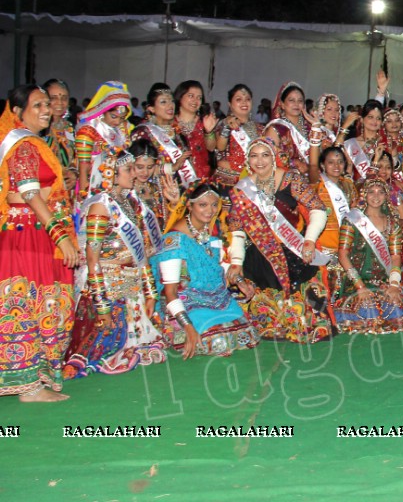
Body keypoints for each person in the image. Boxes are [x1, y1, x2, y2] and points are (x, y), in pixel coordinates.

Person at [0, 85, 81, 402]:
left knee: (44, 304)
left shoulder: (37, 144)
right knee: (27, 305)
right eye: (38, 105)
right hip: (29, 235)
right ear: (18, 112)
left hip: (38, 232)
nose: (47, 109)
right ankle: (29, 387)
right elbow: (31, 194)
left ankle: (35, 380)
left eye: (48, 104)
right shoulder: (22, 146)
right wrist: (60, 234)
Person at [63, 148, 166, 378]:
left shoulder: (131, 202)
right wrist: (101, 306)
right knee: (107, 343)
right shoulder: (101, 206)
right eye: (128, 169)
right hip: (108, 284)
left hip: (131, 281)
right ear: (111, 174)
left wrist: (150, 293)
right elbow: (92, 258)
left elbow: (143, 253)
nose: (134, 174)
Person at [226, 138, 333, 343]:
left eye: (265, 155)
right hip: (262, 254)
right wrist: (237, 261)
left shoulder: (290, 179)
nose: (260, 161)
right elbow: (237, 229)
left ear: (273, 157)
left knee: (306, 319)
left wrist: (309, 240)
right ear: (248, 160)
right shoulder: (243, 189)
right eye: (254, 155)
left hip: (294, 250)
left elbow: (318, 208)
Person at [149, 182, 259, 357]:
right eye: (203, 205)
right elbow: (170, 292)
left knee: (248, 335)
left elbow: (220, 265)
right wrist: (188, 327)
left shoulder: (210, 233)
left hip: (216, 298)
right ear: (189, 206)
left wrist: (240, 282)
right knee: (218, 341)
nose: (210, 210)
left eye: (214, 204)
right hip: (185, 303)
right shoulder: (174, 241)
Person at [334, 179, 403, 333]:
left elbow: (395, 257)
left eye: (381, 192)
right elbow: (343, 255)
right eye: (371, 192)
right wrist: (360, 286)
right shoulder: (352, 220)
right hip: (357, 282)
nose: (376, 196)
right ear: (364, 195)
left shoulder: (393, 224)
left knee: (396, 311)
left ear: (386, 196)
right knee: (369, 312)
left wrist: (394, 285)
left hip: (383, 282)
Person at [131, 84, 200, 189]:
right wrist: (171, 168)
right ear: (152, 108)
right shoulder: (142, 133)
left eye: (171, 101)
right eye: (163, 102)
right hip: (154, 190)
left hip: (179, 191)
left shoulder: (178, 133)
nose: (170, 106)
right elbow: (136, 168)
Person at [74, 81, 133, 197]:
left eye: (121, 118)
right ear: (103, 110)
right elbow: (83, 165)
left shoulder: (122, 130)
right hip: (94, 186)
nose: (117, 122)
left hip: (118, 187)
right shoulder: (88, 130)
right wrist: (83, 192)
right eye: (113, 117)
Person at [214, 84, 264, 187]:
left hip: (253, 183)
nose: (244, 102)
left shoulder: (261, 129)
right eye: (238, 99)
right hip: (228, 182)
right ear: (230, 104)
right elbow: (220, 147)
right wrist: (227, 126)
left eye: (248, 99)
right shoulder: (224, 124)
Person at [172, 80, 217, 182]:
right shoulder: (170, 123)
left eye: (199, 98)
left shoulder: (205, 122)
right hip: (176, 179)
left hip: (201, 178)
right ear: (180, 97)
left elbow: (211, 148)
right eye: (191, 96)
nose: (195, 100)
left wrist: (208, 131)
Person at [262, 82, 312, 174]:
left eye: (300, 101)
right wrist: (295, 163)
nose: (296, 104)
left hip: (312, 180)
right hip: (285, 180)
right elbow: (268, 156)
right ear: (282, 104)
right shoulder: (276, 128)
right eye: (291, 100)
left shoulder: (310, 128)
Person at [43, 78, 77, 197]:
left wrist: (73, 173)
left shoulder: (69, 127)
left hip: (68, 191)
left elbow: (75, 156)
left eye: (64, 98)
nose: (60, 102)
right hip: (45, 190)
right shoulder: (39, 127)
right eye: (54, 98)